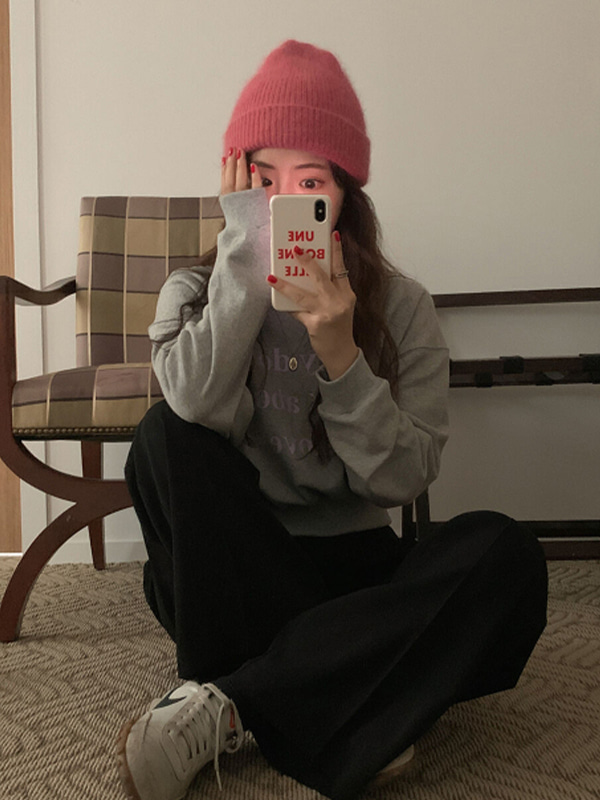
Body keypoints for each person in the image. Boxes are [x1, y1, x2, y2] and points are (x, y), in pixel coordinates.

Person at [117, 40, 548, 800]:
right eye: (263, 180)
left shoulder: (403, 307)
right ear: (234, 184)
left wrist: (344, 356)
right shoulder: (192, 292)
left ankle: (239, 700)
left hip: (355, 572)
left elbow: (403, 478)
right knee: (162, 435)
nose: (284, 202)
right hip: (240, 564)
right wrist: (242, 267)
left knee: (504, 554)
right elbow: (195, 411)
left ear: (346, 195)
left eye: (310, 182)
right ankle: (359, 701)